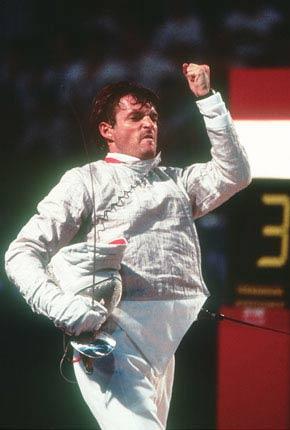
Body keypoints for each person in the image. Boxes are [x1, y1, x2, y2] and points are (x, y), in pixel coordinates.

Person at [5, 63, 251, 430]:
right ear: (107, 131)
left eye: (152, 116)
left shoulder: (178, 182)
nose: (148, 123)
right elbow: (21, 251)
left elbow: (235, 174)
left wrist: (207, 99)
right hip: (113, 338)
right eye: (135, 117)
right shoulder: (86, 180)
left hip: (165, 342)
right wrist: (59, 306)